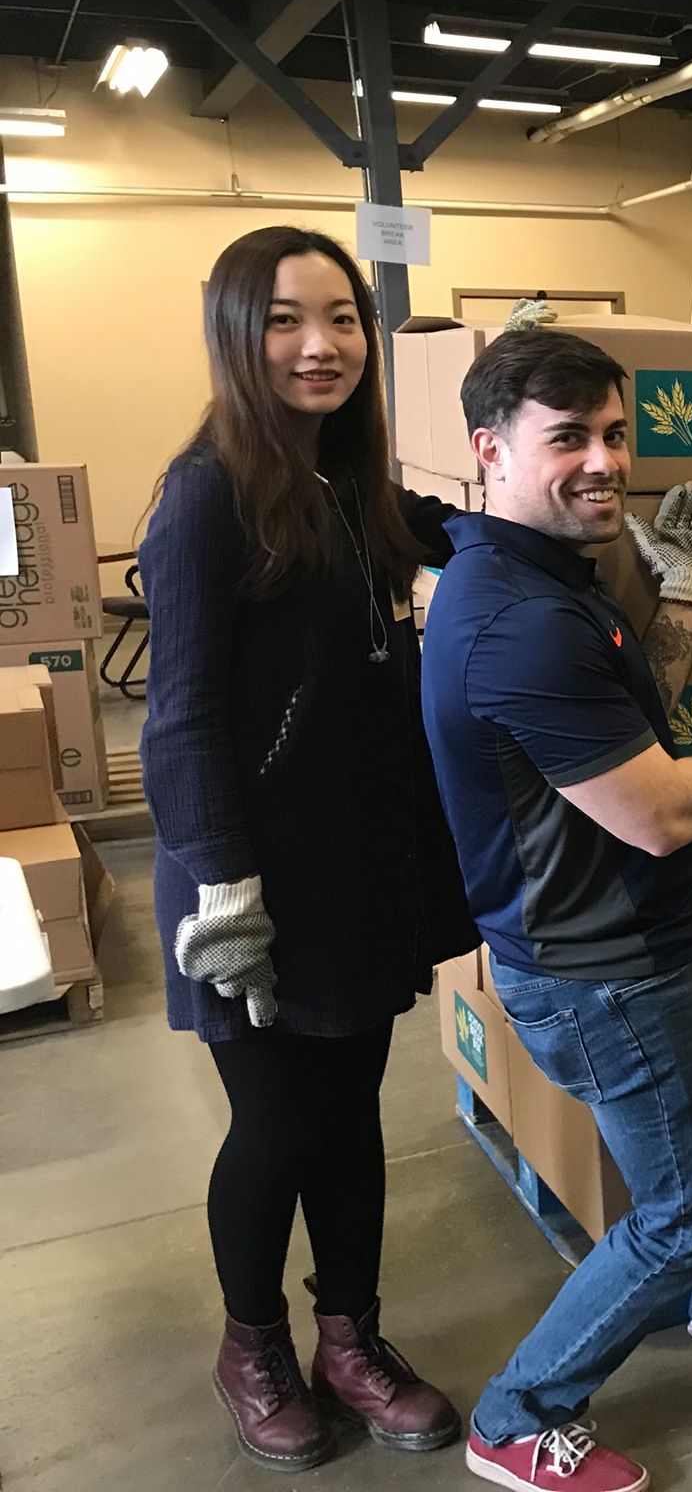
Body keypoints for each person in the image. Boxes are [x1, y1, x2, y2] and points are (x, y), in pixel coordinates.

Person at [420, 324, 692, 1492]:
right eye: (567, 439)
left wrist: (685, 598)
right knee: (684, 1208)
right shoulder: (516, 622)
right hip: (606, 966)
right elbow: (659, 809)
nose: (605, 462)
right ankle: (519, 1413)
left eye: (615, 435)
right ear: (490, 450)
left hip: (654, 921)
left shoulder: (546, 581)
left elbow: (622, 729)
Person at [140, 226, 471, 1471]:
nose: (320, 344)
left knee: (349, 1114)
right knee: (277, 1123)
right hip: (252, 883)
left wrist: (550, 520)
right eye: (284, 319)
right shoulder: (206, 494)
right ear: (238, 332)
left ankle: (352, 1338)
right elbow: (176, 715)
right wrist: (221, 878)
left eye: (341, 317)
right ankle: (251, 1345)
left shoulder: (351, 478)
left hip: (358, 865)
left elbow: (447, 534)